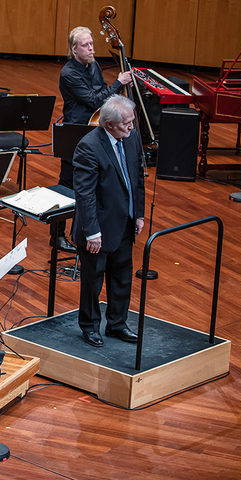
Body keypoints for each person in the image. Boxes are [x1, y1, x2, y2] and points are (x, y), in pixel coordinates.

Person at [71, 95, 145, 348]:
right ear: (109, 125)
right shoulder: (89, 147)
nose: (132, 127)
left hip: (124, 221)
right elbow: (85, 194)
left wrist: (139, 214)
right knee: (93, 280)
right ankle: (90, 326)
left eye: (132, 122)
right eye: (127, 123)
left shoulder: (131, 137)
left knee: (122, 276)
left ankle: (117, 324)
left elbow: (137, 178)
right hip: (98, 227)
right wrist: (92, 232)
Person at [56, 26, 132, 252]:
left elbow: (101, 96)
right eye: (86, 45)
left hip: (92, 129)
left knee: (93, 184)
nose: (91, 48)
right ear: (74, 49)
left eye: (91, 44)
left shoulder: (94, 65)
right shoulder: (69, 74)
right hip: (74, 133)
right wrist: (118, 83)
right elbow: (93, 100)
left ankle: (82, 230)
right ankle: (57, 235)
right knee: (67, 183)